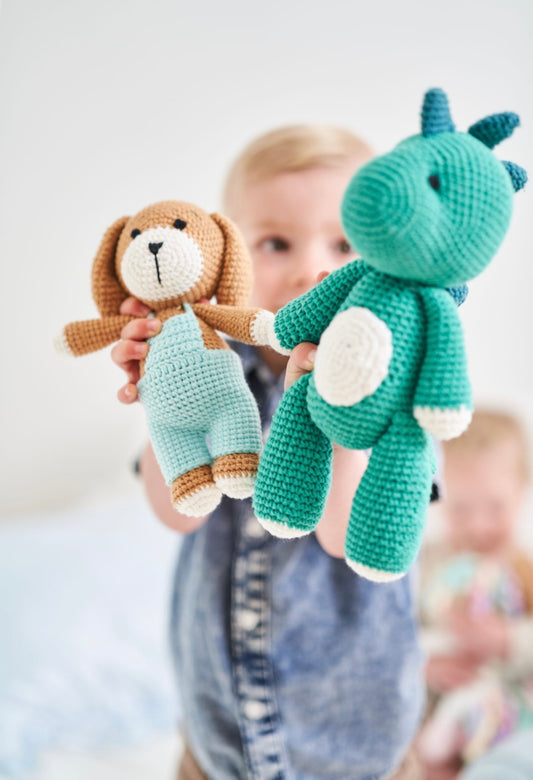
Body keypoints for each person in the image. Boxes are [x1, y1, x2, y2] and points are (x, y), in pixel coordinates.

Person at [112, 125, 425, 779]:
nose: (314, 268)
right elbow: (179, 514)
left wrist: (336, 401)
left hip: (354, 735)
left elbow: (346, 536)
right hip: (218, 727)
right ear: (228, 261)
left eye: (344, 244)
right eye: (275, 243)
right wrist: (160, 398)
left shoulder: (404, 387)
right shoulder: (211, 364)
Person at [417, 410, 533, 779]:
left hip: (513, 725)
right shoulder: (423, 566)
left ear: (522, 491)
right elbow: (389, 638)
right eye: (462, 510)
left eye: (496, 507)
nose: (479, 526)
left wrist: (505, 640)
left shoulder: (524, 570)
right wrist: (424, 665)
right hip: (434, 724)